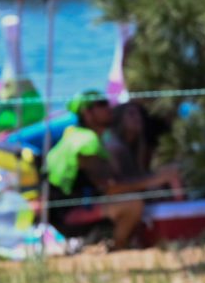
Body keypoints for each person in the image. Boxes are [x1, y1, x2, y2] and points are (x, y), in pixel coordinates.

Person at [42, 90, 177, 249]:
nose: (109, 107)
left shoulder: (78, 136)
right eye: (101, 104)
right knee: (133, 204)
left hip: (61, 213)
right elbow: (110, 187)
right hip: (70, 216)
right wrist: (157, 179)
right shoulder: (87, 142)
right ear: (88, 113)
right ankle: (119, 248)